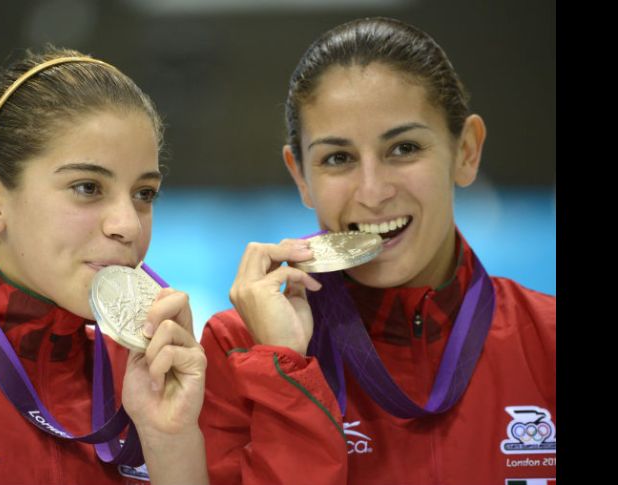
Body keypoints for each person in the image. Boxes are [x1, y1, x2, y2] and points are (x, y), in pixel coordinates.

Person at [199, 17, 555, 485]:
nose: (372, 191)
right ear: (301, 176)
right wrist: (283, 369)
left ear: (466, 151)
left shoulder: (548, 341)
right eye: (338, 158)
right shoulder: (237, 352)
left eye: (403, 148)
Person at [0, 47, 208, 485]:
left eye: (144, 194)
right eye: (87, 187)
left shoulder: (163, 373)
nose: (127, 225)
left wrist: (172, 442)